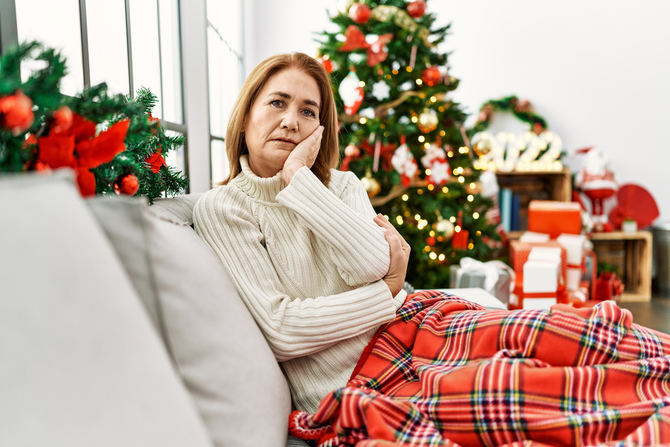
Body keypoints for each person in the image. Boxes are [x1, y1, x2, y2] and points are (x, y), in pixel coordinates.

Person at [193, 52, 411, 414]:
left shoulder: (341, 186)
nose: (291, 122)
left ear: (321, 129)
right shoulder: (224, 208)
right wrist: (386, 292)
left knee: (538, 338)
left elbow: (372, 265)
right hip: (362, 385)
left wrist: (299, 179)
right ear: (245, 118)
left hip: (413, 330)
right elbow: (282, 329)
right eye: (277, 103)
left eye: (309, 111)